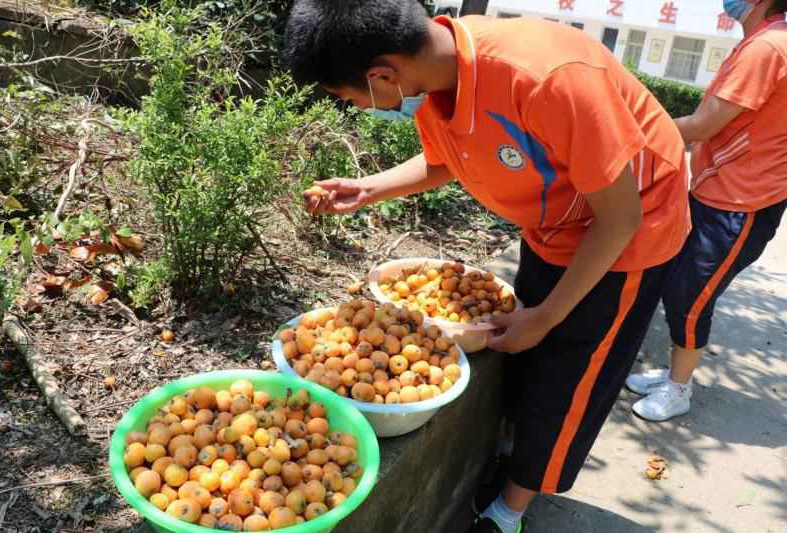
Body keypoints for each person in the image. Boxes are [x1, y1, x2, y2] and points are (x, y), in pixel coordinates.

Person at [284, 2, 689, 532]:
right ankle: (515, 451)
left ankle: (512, 507)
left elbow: (620, 217)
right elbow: (447, 158)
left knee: (571, 377)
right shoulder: (443, 74)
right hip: (557, 221)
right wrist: (369, 188)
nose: (358, 109)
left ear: (382, 74)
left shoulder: (548, 80)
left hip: (627, 237)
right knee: (529, 357)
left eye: (350, 98)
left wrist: (546, 316)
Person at [627, 0, 787, 422]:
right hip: (718, 190)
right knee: (679, 284)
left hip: (742, 202)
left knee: (691, 296)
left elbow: (703, 125)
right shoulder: (760, 41)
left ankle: (679, 389)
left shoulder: (768, 47)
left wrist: (630, 131)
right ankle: (674, 374)